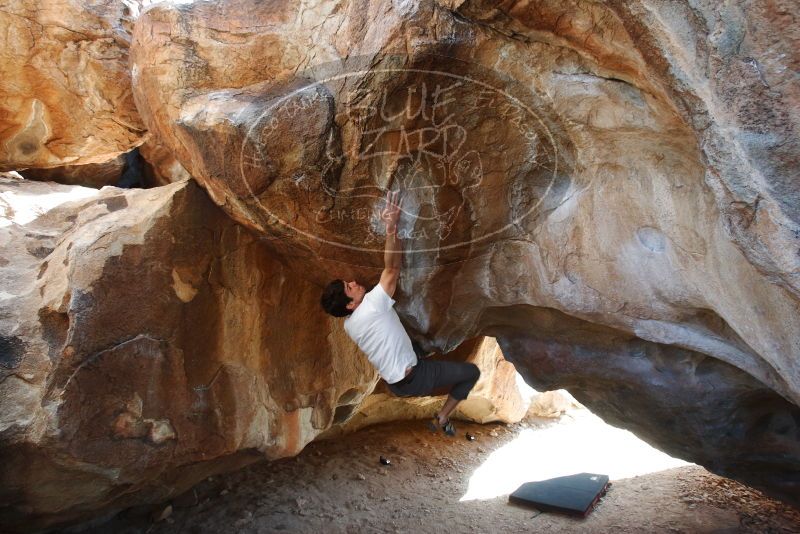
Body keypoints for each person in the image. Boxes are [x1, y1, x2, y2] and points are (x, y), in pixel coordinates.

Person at [320, 190, 480, 436]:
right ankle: (442, 416)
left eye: (348, 282)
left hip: (396, 383)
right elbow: (392, 268)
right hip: (417, 377)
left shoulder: (349, 325)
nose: (353, 282)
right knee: (471, 373)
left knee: (419, 346)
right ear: (350, 304)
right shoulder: (373, 305)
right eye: (349, 288)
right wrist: (391, 227)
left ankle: (423, 352)